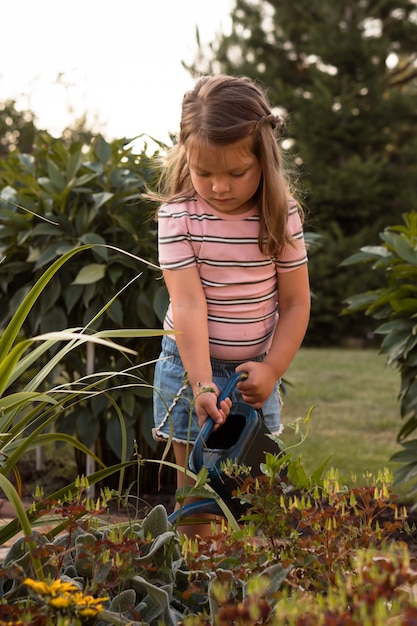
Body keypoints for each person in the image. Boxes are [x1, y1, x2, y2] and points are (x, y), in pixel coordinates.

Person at [152, 74, 310, 537]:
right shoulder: (178, 217)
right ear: (186, 158)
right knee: (198, 505)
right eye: (204, 172)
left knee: (251, 505)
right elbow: (187, 305)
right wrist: (202, 383)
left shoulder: (281, 214)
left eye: (236, 173)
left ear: (263, 158)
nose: (219, 187)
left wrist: (273, 369)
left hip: (253, 374)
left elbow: (297, 303)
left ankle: (239, 602)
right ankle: (200, 600)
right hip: (189, 368)